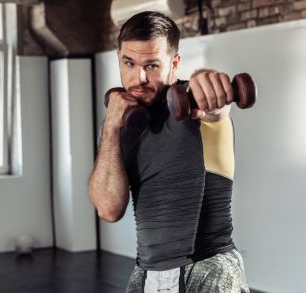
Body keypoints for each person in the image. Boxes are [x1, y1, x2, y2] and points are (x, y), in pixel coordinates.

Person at [88, 11, 249, 293]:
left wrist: (205, 81)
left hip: (208, 269)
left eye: (151, 65)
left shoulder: (191, 105)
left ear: (174, 64)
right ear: (119, 59)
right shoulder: (122, 121)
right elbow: (108, 208)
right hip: (147, 272)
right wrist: (111, 126)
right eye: (129, 63)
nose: (138, 78)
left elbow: (213, 107)